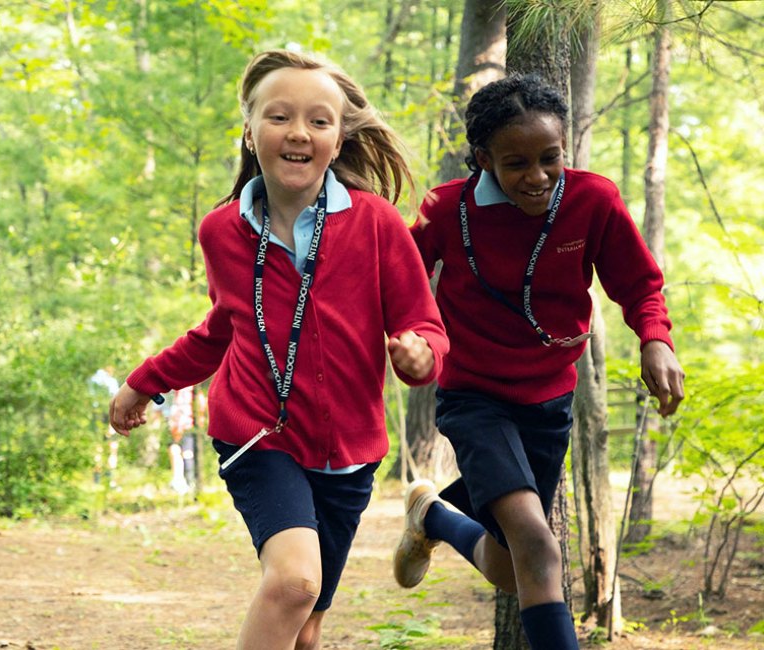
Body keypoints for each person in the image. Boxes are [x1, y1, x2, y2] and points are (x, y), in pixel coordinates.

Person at [108, 49, 450, 650]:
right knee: (293, 585)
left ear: (339, 140)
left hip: (348, 454)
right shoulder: (222, 230)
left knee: (307, 626)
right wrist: (145, 382)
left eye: (319, 121)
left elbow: (424, 322)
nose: (299, 132)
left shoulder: (375, 223)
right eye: (279, 116)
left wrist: (422, 352)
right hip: (256, 435)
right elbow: (220, 329)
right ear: (249, 130)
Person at [393, 73, 685, 650]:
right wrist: (406, 337)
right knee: (539, 545)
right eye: (516, 163)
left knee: (510, 568)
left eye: (550, 158)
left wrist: (655, 338)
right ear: (482, 159)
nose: (538, 177)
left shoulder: (592, 200)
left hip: (548, 399)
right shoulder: (445, 210)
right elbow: (395, 283)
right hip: (474, 395)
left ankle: (431, 516)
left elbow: (639, 284)